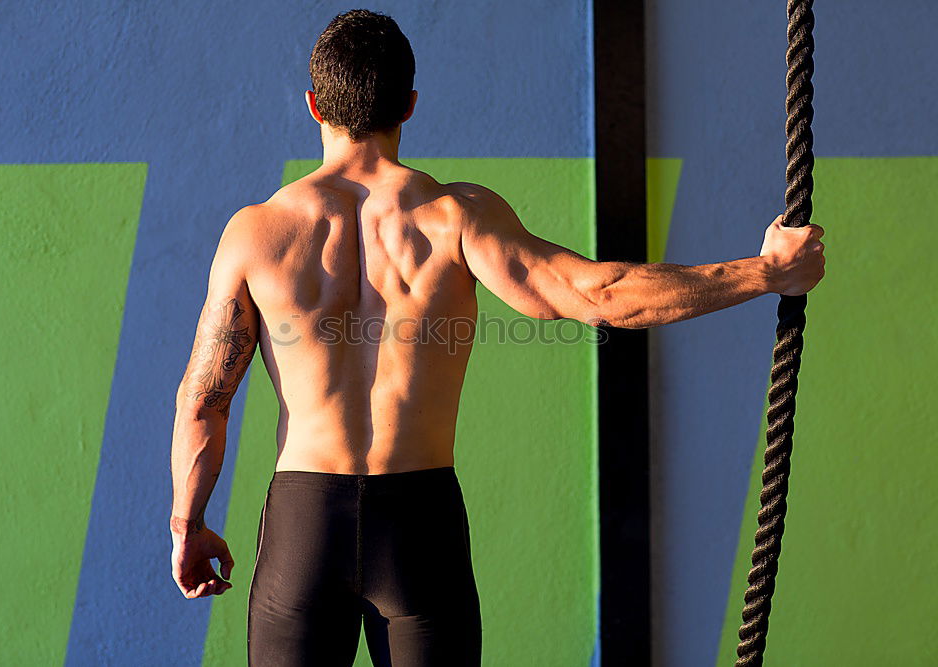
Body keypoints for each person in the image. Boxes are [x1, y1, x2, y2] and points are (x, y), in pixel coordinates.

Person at [168, 8, 826, 667]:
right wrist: (765, 272)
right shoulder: (454, 218)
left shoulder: (255, 234)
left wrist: (188, 524)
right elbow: (597, 294)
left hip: (302, 527)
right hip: (418, 527)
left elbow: (205, 400)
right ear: (411, 106)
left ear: (314, 105)